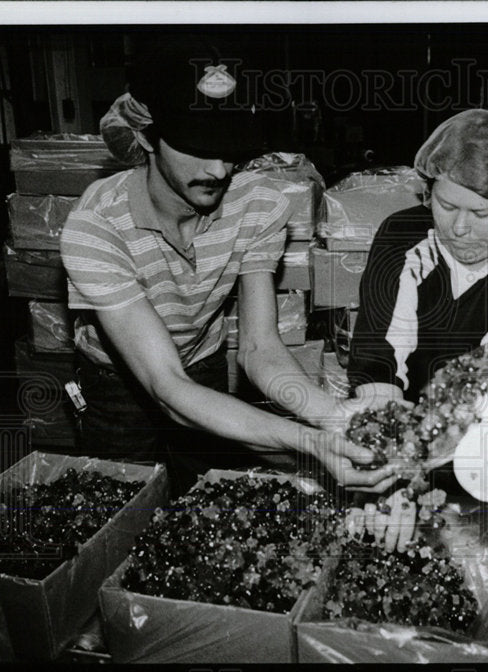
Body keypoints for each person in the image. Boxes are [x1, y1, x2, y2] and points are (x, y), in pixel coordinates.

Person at [60, 40, 395, 496]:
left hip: (202, 362)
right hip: (117, 382)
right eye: (197, 147)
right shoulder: (95, 226)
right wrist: (307, 441)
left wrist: (333, 417)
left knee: (208, 496)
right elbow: (165, 386)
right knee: (121, 506)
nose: (218, 169)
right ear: (144, 135)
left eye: (230, 147)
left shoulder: (259, 205)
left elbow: (259, 348)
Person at [348, 108, 488, 403]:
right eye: (446, 206)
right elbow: (375, 356)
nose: (459, 228)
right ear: (429, 192)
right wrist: (385, 418)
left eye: (481, 213)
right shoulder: (401, 236)